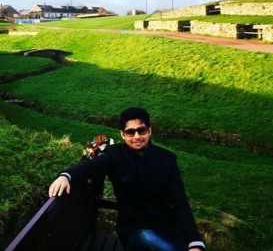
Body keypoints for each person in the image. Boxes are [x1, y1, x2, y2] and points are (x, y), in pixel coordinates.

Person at [49, 107, 205, 251]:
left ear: (149, 131)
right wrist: (65, 176)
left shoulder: (167, 159)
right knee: (149, 239)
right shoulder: (115, 155)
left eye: (141, 130)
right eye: (130, 132)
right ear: (122, 134)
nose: (136, 136)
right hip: (133, 228)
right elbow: (89, 166)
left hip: (166, 225)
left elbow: (180, 202)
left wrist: (195, 241)